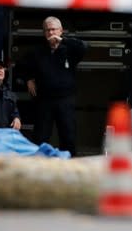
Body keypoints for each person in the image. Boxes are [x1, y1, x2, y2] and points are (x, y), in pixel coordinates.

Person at [25, 16, 87, 157]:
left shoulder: (70, 49)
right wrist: (28, 78)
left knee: (68, 136)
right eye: (47, 30)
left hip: (65, 100)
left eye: (53, 29)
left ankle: (70, 167)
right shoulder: (38, 51)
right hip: (44, 100)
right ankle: (37, 167)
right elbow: (24, 65)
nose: (50, 33)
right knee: (40, 137)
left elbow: (84, 47)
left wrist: (63, 41)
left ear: (60, 31)